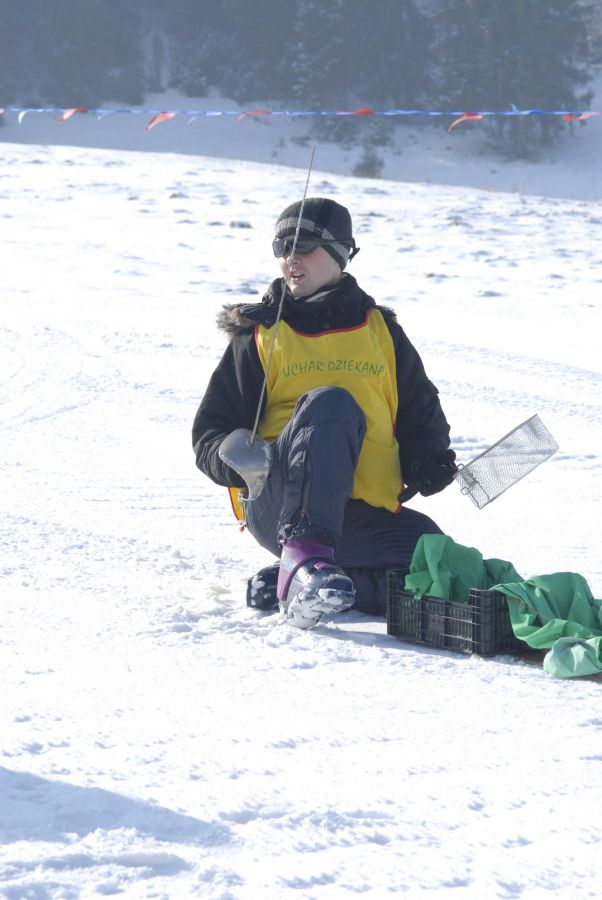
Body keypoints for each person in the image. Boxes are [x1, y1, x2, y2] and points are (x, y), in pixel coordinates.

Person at [192, 197, 457, 628]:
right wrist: (234, 459)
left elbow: (419, 414)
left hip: (363, 514)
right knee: (331, 403)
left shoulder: (381, 331)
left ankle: (307, 581)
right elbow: (210, 431)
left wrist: (428, 459)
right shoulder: (260, 335)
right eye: (281, 248)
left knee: (437, 562)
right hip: (280, 507)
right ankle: (304, 557)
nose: (289, 258)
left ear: (339, 252)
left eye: (303, 245)